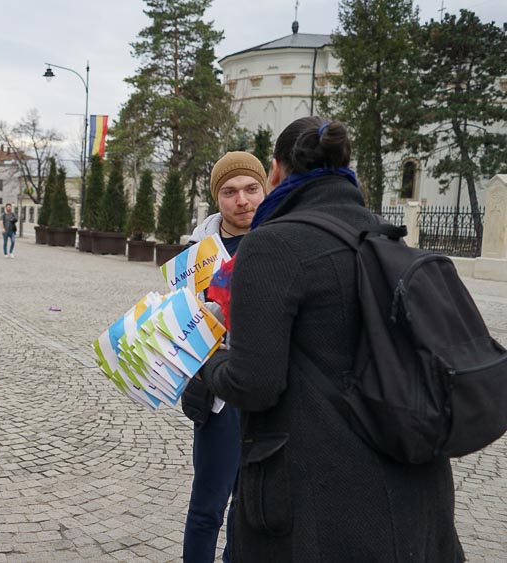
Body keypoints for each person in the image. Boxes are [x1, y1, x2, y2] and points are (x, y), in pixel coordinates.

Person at [197, 117, 463, 561]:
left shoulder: (271, 246)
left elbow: (255, 384)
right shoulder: (384, 236)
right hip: (414, 486)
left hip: (323, 500)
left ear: (275, 171)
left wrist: (207, 361)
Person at [179, 152, 267, 563]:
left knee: (250, 509)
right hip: (219, 392)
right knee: (207, 506)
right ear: (217, 197)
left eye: (251, 189)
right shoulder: (199, 253)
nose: (242, 200)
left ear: (265, 189)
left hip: (269, 390)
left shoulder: (280, 240)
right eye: (230, 192)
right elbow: (183, 317)